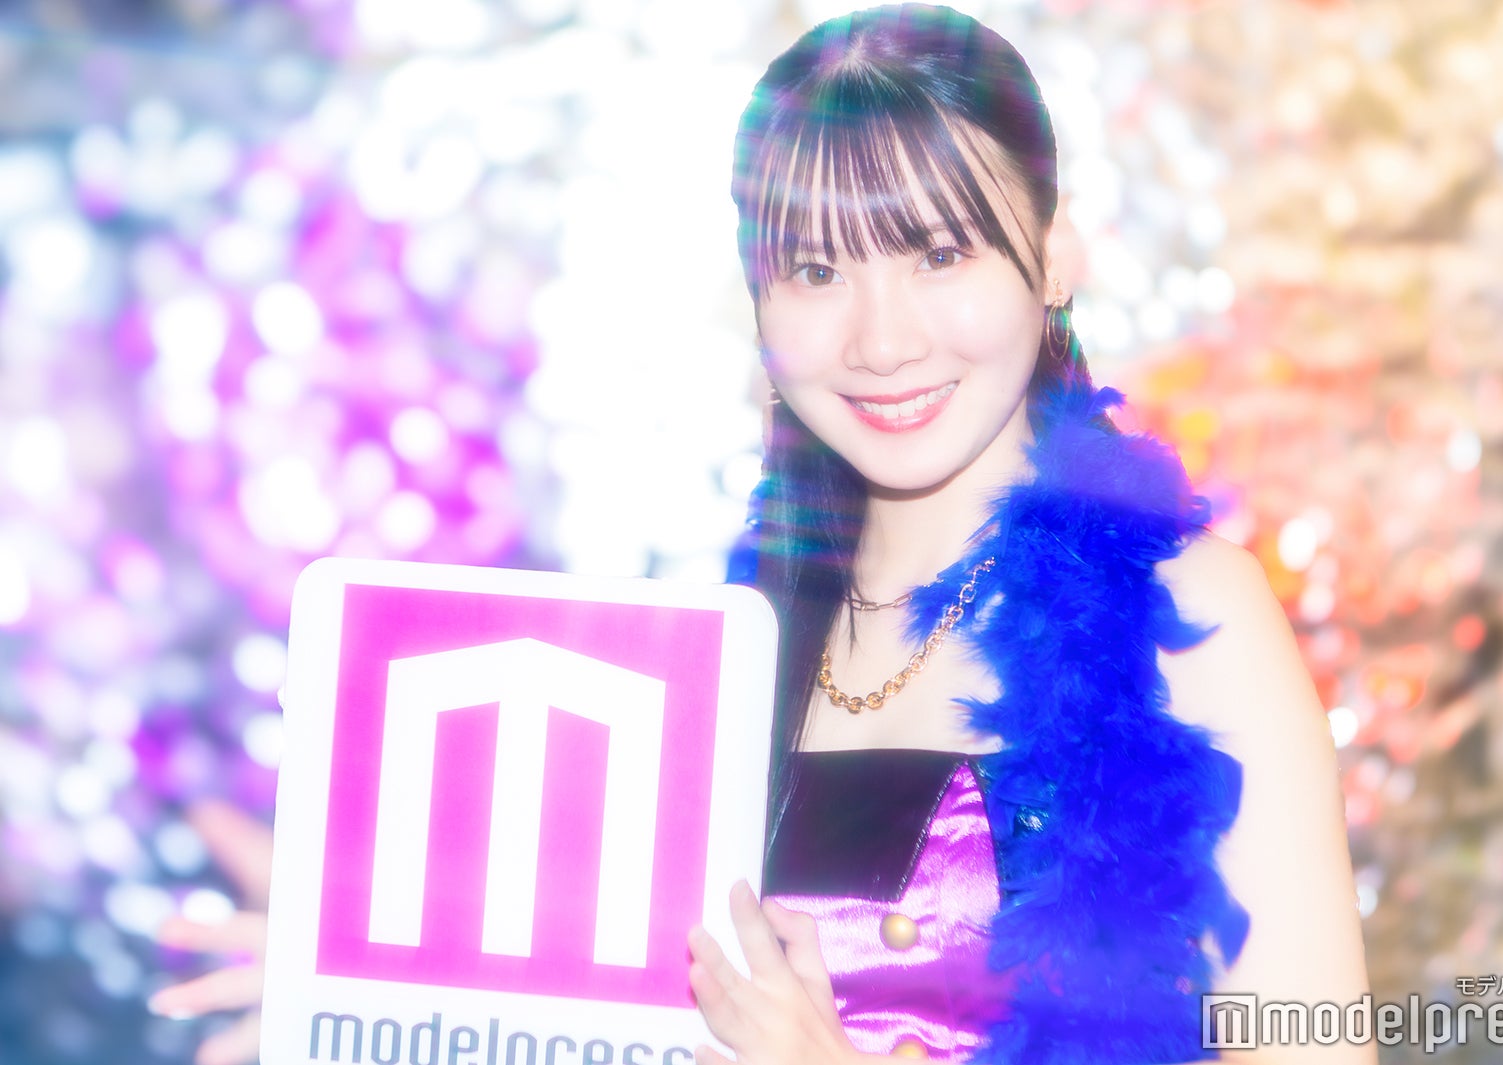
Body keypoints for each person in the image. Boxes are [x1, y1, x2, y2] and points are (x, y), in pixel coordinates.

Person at [150, 5, 1373, 1064]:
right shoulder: (710, 662)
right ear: (756, 302)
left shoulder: (1189, 616)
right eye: (816, 272)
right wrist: (368, 995)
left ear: (1055, 259)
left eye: (939, 253)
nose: (881, 340)